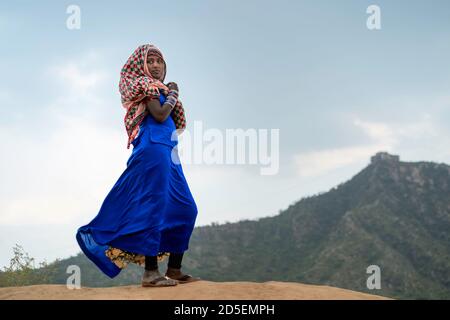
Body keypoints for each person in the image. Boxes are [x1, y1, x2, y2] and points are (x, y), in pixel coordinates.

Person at [76, 44, 200, 287]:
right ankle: (151, 273)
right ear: (142, 66)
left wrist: (170, 92)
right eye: (150, 61)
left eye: (159, 61)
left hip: (169, 152)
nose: (155, 65)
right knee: (153, 207)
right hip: (153, 148)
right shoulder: (148, 87)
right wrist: (174, 91)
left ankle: (174, 269)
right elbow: (161, 115)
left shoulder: (160, 89)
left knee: (186, 208)